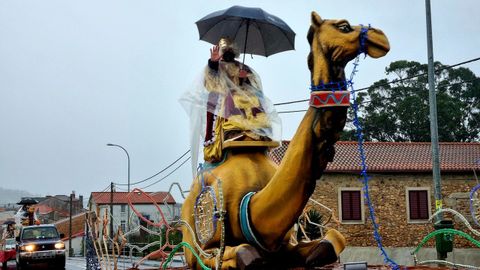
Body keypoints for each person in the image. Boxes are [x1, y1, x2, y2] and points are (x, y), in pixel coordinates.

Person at [202, 37, 280, 163]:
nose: (228, 52)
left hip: (243, 95)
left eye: (230, 50)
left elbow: (254, 84)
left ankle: (258, 130)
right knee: (232, 99)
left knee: (254, 99)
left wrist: (244, 78)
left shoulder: (241, 67)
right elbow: (211, 82)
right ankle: (233, 132)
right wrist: (213, 63)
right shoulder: (218, 65)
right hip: (224, 98)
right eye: (225, 50)